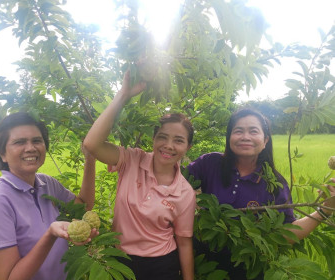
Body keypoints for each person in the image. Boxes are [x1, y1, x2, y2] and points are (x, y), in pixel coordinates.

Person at [187, 107, 335, 279]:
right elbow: (175, 180)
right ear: (229, 138)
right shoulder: (210, 163)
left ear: (265, 140)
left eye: (253, 131)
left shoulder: (275, 184)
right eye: (238, 131)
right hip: (202, 265)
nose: (245, 137)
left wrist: (324, 210)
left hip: (249, 270)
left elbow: (287, 233)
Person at [83, 71, 196, 280]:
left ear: (187, 146)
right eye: (162, 137)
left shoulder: (185, 193)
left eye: (179, 140)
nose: (169, 146)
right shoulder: (131, 160)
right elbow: (92, 144)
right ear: (153, 138)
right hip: (120, 259)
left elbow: (184, 241)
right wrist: (124, 95)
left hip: (162, 265)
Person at [0, 112, 98, 280]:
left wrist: (90, 159)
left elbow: (83, 206)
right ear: (2, 153)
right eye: (19, 142)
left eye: (37, 141)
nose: (31, 147)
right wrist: (50, 235)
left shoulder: (47, 184)